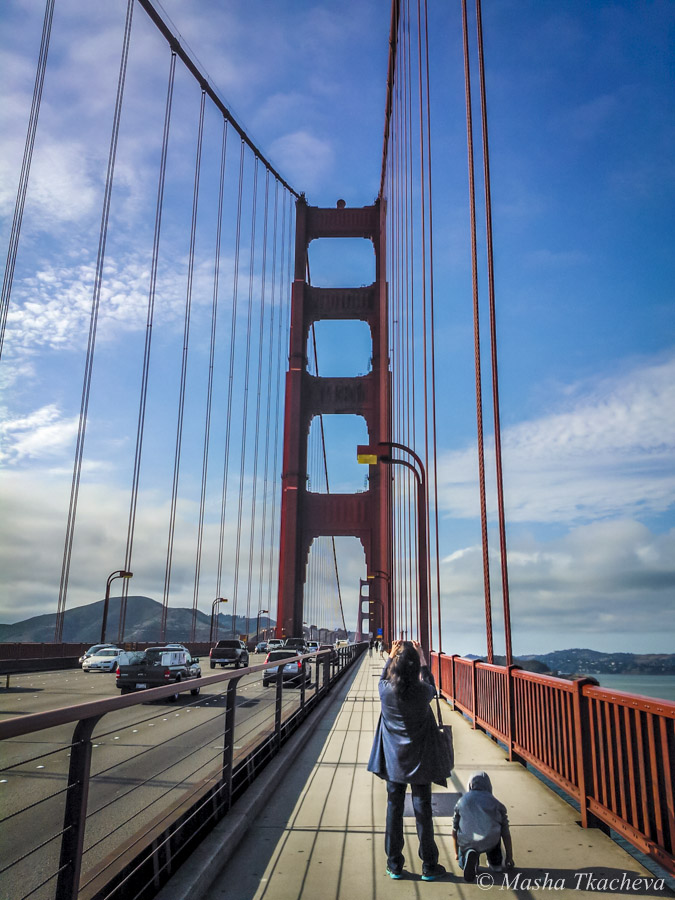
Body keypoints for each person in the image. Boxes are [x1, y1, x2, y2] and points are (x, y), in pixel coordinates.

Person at [367, 639, 451, 881]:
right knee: (423, 809)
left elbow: (382, 678)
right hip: (421, 760)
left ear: (395, 666)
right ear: (415, 668)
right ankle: (429, 865)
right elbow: (431, 686)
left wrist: (391, 656)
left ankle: (394, 865)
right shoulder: (423, 692)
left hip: (394, 762)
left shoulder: (386, 691)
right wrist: (423, 659)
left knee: (394, 809)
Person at [452, 771, 514, 882]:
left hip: (468, 840)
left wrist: (456, 853)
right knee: (495, 832)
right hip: (489, 841)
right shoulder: (496, 803)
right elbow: (505, 833)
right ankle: (495, 863)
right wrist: (509, 857)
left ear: (470, 785)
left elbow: (454, 829)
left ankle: (467, 859)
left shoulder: (462, 801)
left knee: (465, 845)